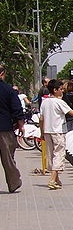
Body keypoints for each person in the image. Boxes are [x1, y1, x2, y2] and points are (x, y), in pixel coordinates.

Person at [40, 79, 73, 190]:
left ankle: (56, 179)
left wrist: (41, 132)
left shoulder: (44, 102)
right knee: (59, 154)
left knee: (51, 154)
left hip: (47, 131)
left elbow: (41, 119)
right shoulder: (59, 102)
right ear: (55, 90)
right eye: (60, 89)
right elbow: (72, 113)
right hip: (58, 131)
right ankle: (52, 180)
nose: (62, 91)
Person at [0, 64, 23, 193]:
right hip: (4, 128)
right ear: (2, 74)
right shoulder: (8, 89)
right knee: (8, 158)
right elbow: (16, 108)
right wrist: (20, 124)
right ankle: (14, 183)